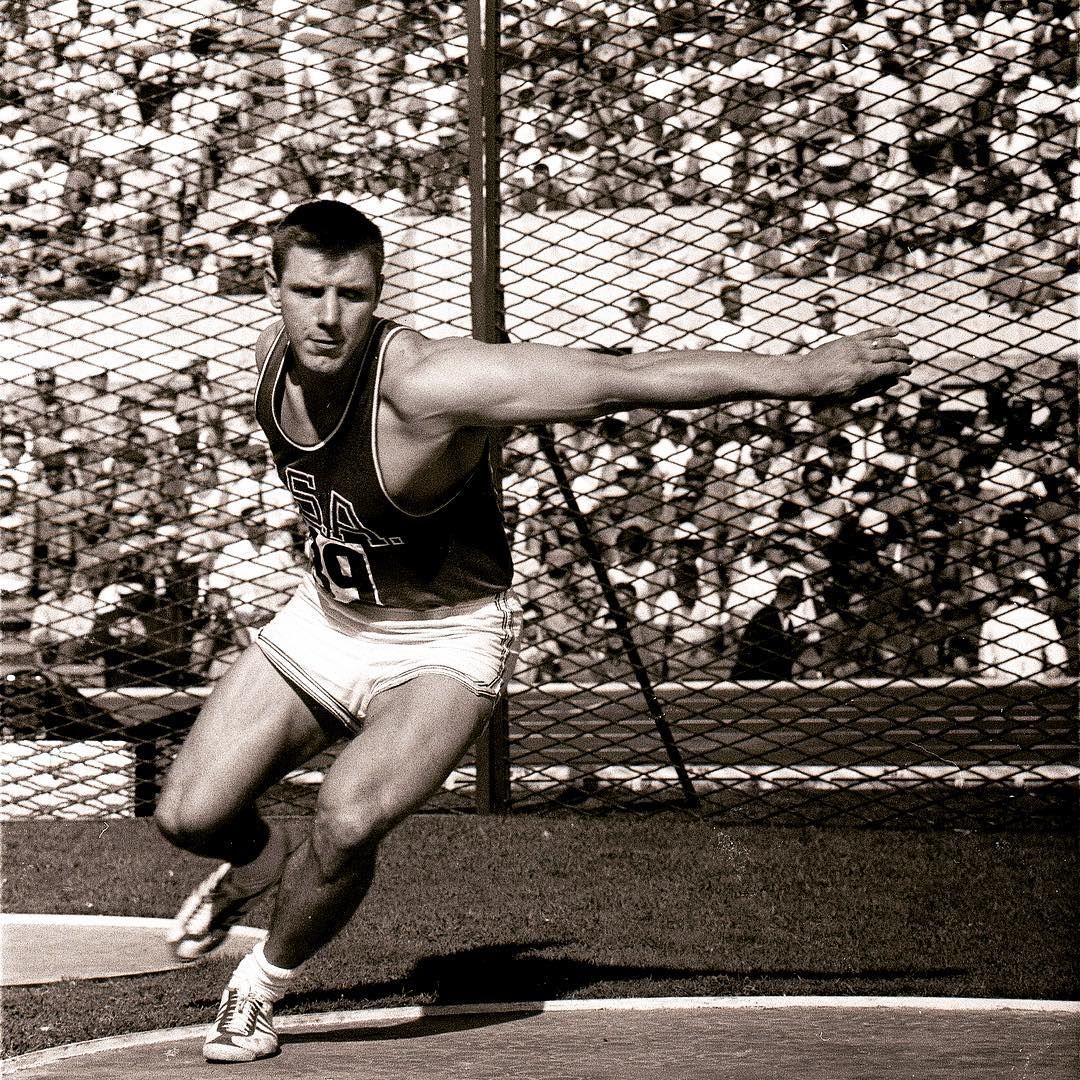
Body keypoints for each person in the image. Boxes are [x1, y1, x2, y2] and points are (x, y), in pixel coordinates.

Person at [153, 200, 913, 1063]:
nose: (330, 317)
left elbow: (612, 377)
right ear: (274, 287)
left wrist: (799, 374)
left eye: (354, 295)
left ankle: (257, 990)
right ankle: (262, 854)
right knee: (188, 815)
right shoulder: (265, 361)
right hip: (325, 622)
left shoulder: (430, 381)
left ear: (378, 291)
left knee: (350, 818)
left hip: (443, 641)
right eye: (310, 291)